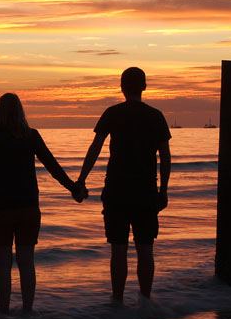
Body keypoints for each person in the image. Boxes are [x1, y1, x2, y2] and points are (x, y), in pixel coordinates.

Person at [0, 93, 84, 313]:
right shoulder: (30, 136)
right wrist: (74, 188)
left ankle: (4, 312)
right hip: (27, 208)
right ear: (20, 112)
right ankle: (27, 312)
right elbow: (52, 167)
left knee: (3, 264)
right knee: (26, 263)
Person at [73, 67, 171, 302]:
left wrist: (81, 179)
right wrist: (163, 190)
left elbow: (95, 147)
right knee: (145, 247)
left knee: (118, 249)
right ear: (144, 87)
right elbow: (165, 157)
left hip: (117, 189)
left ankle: (117, 301)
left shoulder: (112, 113)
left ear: (122, 87)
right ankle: (145, 301)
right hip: (146, 190)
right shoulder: (155, 116)